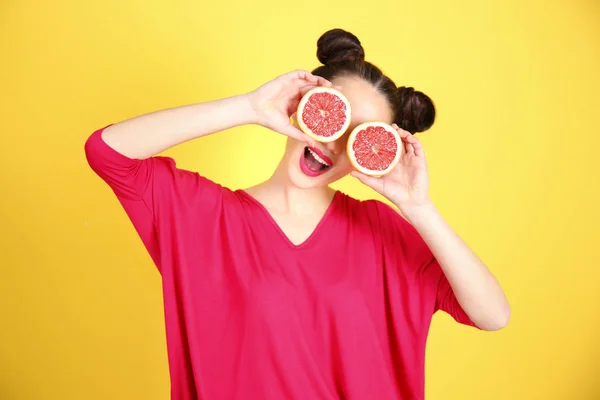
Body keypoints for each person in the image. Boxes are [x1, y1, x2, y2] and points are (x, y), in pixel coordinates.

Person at [85, 28, 510, 400]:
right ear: (301, 104)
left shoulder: (385, 233)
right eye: (329, 115)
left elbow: (492, 315)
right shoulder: (204, 217)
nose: (334, 144)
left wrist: (419, 208)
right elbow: (107, 152)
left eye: (359, 135)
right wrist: (249, 107)